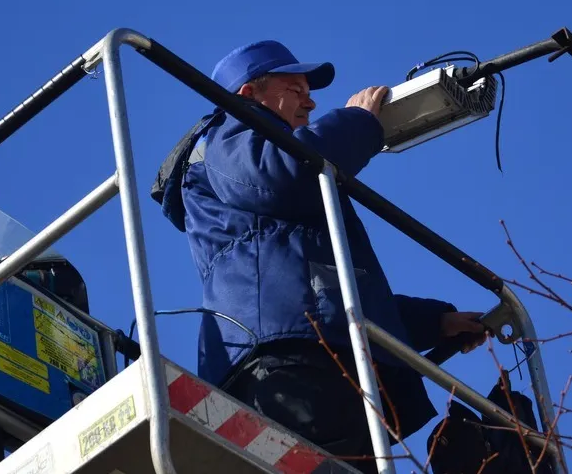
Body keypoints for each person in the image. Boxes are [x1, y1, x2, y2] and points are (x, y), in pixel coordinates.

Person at [156, 39, 487, 472]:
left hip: (304, 357)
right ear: (249, 93)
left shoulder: (275, 211)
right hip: (286, 361)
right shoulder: (230, 129)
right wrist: (356, 121)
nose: (310, 103)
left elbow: (331, 293)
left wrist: (434, 322)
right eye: (295, 89)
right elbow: (285, 175)